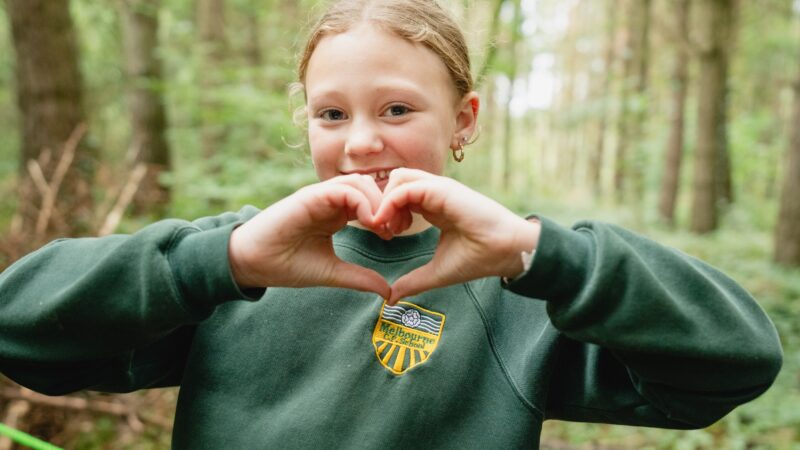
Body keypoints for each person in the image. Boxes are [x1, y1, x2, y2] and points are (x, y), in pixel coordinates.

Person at [0, 0, 783, 448]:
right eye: (331, 113)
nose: (362, 139)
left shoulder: (522, 287)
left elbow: (731, 364)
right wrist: (218, 262)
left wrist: (541, 254)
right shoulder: (242, 261)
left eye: (398, 109)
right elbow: (22, 333)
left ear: (464, 119)